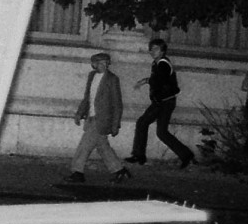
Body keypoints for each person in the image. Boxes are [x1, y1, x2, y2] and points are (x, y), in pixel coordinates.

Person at [126, 38, 195, 168]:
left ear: (163, 50)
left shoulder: (163, 63)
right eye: (151, 49)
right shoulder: (156, 63)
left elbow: (159, 80)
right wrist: (146, 81)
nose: (152, 51)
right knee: (157, 130)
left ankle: (139, 154)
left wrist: (146, 81)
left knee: (145, 124)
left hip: (164, 102)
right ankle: (186, 155)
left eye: (156, 49)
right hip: (163, 101)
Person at [68, 51, 128, 183]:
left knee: (84, 146)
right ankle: (119, 170)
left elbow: (117, 104)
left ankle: (77, 172)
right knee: (102, 147)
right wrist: (80, 113)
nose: (103, 65)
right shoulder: (91, 76)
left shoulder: (112, 79)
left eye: (106, 63)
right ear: (94, 64)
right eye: (100, 63)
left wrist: (115, 124)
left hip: (102, 119)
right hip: (91, 117)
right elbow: (87, 97)